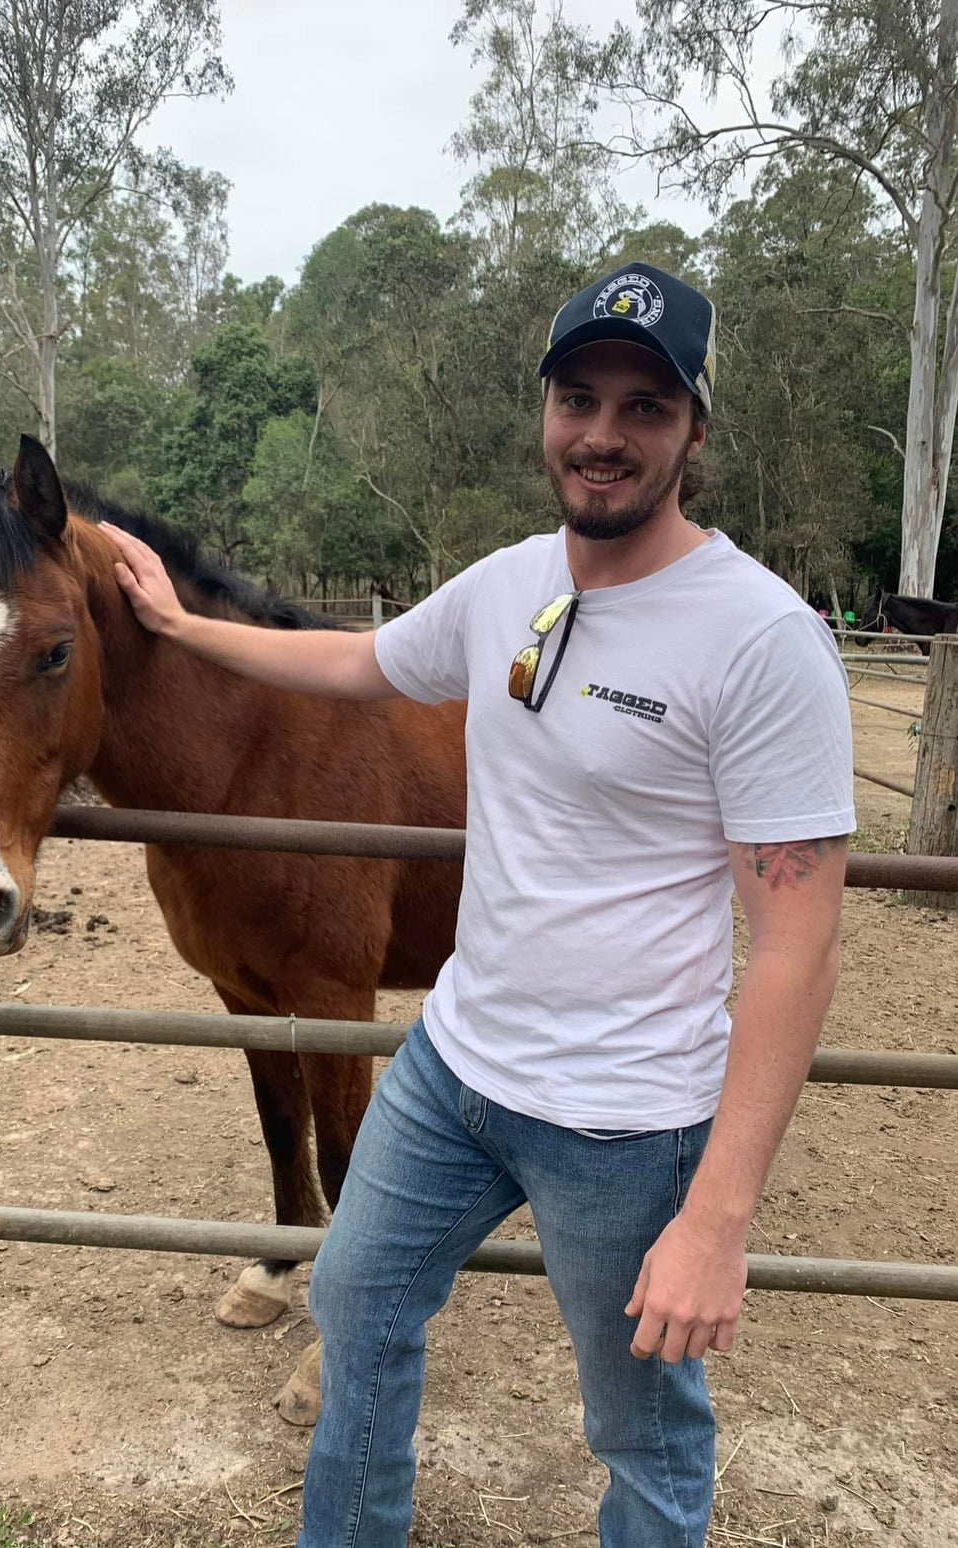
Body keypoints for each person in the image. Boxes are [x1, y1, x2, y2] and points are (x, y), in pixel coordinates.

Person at [103, 261, 855, 1548]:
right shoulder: (512, 584)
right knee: (358, 1310)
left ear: (694, 433)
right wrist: (179, 627)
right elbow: (355, 659)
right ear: (546, 410)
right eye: (579, 397)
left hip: (624, 1116)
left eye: (644, 407)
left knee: (643, 1428)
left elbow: (798, 938)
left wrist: (720, 1215)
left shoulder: (761, 637)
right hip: (455, 1071)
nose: (603, 434)